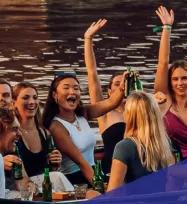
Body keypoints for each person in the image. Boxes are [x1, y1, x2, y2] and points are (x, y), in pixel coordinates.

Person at [42, 71, 126, 185]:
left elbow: (112, 102)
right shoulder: (56, 126)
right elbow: (81, 162)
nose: (72, 92)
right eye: (66, 88)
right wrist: (102, 188)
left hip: (93, 172)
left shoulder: (83, 113)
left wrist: (123, 85)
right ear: (55, 95)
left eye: (76, 88)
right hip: (75, 180)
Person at [152, 7, 187, 160]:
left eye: (184, 78)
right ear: (170, 82)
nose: (180, 83)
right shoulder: (164, 100)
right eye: (175, 79)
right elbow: (163, 63)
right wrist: (167, 28)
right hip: (169, 164)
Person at [107, 91, 175, 191]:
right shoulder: (164, 145)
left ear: (130, 116)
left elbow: (112, 195)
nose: (123, 113)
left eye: (126, 110)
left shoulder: (124, 147)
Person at [83, 18, 127, 174]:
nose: (122, 86)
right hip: (112, 170)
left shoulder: (140, 110)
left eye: (125, 82)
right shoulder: (105, 113)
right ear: (109, 92)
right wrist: (88, 39)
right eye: (117, 83)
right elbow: (92, 74)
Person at [12, 82, 74, 192]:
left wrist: (55, 163)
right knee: (58, 178)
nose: (32, 102)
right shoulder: (13, 134)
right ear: (14, 103)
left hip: (41, 183)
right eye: (25, 98)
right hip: (19, 185)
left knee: (57, 176)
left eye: (35, 98)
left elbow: (51, 169)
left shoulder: (45, 133)